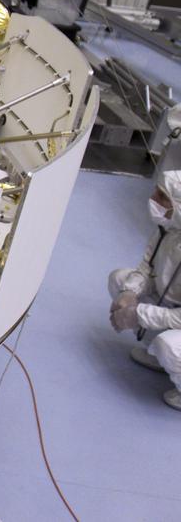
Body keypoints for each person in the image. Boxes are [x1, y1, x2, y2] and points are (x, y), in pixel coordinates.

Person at [108, 112, 181, 411]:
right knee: (119, 279)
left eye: (163, 197)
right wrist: (130, 294)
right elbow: (145, 267)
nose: (154, 199)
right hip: (172, 305)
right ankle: (158, 354)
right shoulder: (169, 226)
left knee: (169, 346)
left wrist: (141, 314)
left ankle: (167, 352)